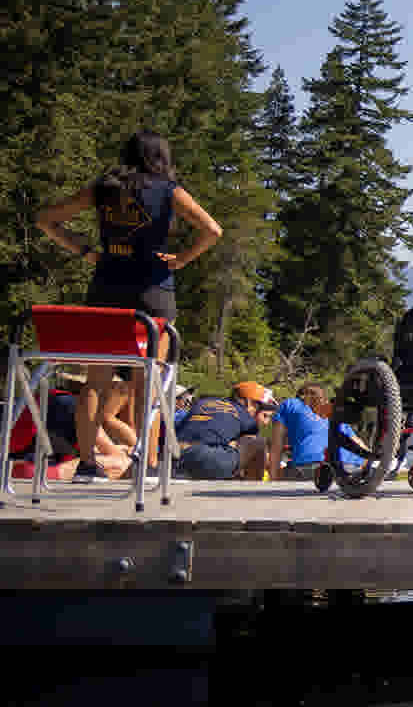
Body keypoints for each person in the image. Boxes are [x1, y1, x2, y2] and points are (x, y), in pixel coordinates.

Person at [33, 130, 223, 479]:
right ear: (161, 157)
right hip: (153, 290)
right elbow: (212, 230)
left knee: (96, 380)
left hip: (106, 286)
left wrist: (84, 251)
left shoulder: (103, 189)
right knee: (147, 380)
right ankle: (146, 465)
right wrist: (181, 258)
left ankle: (87, 465)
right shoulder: (168, 190)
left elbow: (46, 220)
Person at [174, 381, 276, 480]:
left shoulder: (202, 403)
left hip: (177, 457)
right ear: (248, 402)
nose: (266, 422)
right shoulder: (245, 415)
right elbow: (254, 451)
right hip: (209, 460)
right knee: (258, 443)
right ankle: (252, 489)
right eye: (259, 406)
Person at [266, 383, 362, 480]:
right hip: (353, 468)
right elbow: (359, 444)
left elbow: (276, 446)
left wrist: (273, 480)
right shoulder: (334, 414)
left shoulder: (290, 404)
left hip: (312, 466)